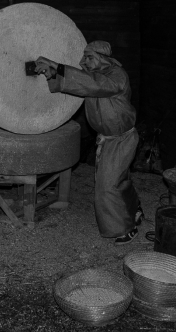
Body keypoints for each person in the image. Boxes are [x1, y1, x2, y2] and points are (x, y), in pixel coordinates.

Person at [35, 41, 143, 244]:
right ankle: (134, 207)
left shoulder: (116, 75)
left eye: (89, 57)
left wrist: (58, 66)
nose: (83, 61)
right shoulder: (95, 77)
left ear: (103, 58)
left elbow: (97, 84)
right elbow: (82, 83)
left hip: (121, 139)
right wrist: (51, 73)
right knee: (118, 179)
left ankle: (125, 227)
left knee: (107, 185)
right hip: (108, 138)